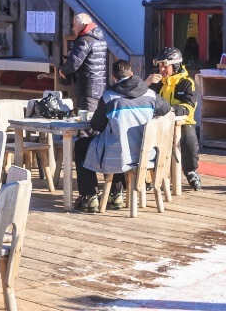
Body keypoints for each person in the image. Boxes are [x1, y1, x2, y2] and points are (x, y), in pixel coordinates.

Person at [72, 59, 170, 213]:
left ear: (113, 77)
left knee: (83, 145)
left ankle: (89, 196)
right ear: (132, 73)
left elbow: (97, 125)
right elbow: (166, 109)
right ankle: (116, 194)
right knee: (116, 141)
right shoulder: (150, 94)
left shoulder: (109, 96)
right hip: (147, 154)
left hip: (120, 154)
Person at [145, 46, 202, 191]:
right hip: (159, 123)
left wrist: (168, 109)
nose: (162, 70)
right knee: (146, 138)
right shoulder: (156, 82)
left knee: (189, 139)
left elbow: (188, 107)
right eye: (159, 66)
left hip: (183, 121)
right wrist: (146, 84)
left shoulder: (188, 83)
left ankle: (191, 170)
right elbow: (143, 100)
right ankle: (149, 174)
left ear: (175, 65)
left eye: (165, 66)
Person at [58, 13, 109, 115]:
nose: (73, 29)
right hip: (99, 86)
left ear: (83, 25)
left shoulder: (84, 40)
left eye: (74, 25)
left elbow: (73, 64)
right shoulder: (99, 38)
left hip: (88, 87)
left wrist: (62, 70)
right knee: (93, 119)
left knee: (85, 122)